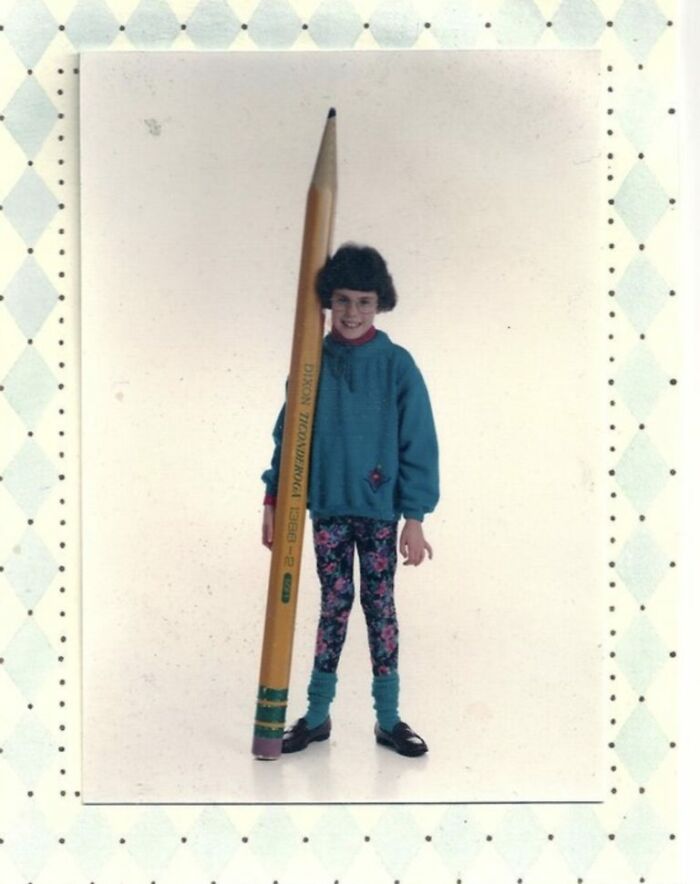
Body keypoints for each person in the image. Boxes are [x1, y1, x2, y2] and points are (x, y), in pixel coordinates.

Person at [260, 243, 439, 757]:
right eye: (342, 300)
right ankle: (316, 716)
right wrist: (273, 499)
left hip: (380, 513)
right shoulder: (311, 362)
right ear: (328, 303)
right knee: (333, 605)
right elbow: (286, 434)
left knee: (379, 606)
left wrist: (415, 518)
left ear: (380, 304)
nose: (352, 312)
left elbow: (418, 443)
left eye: (363, 301)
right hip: (327, 510)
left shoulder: (397, 365)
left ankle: (388, 719)